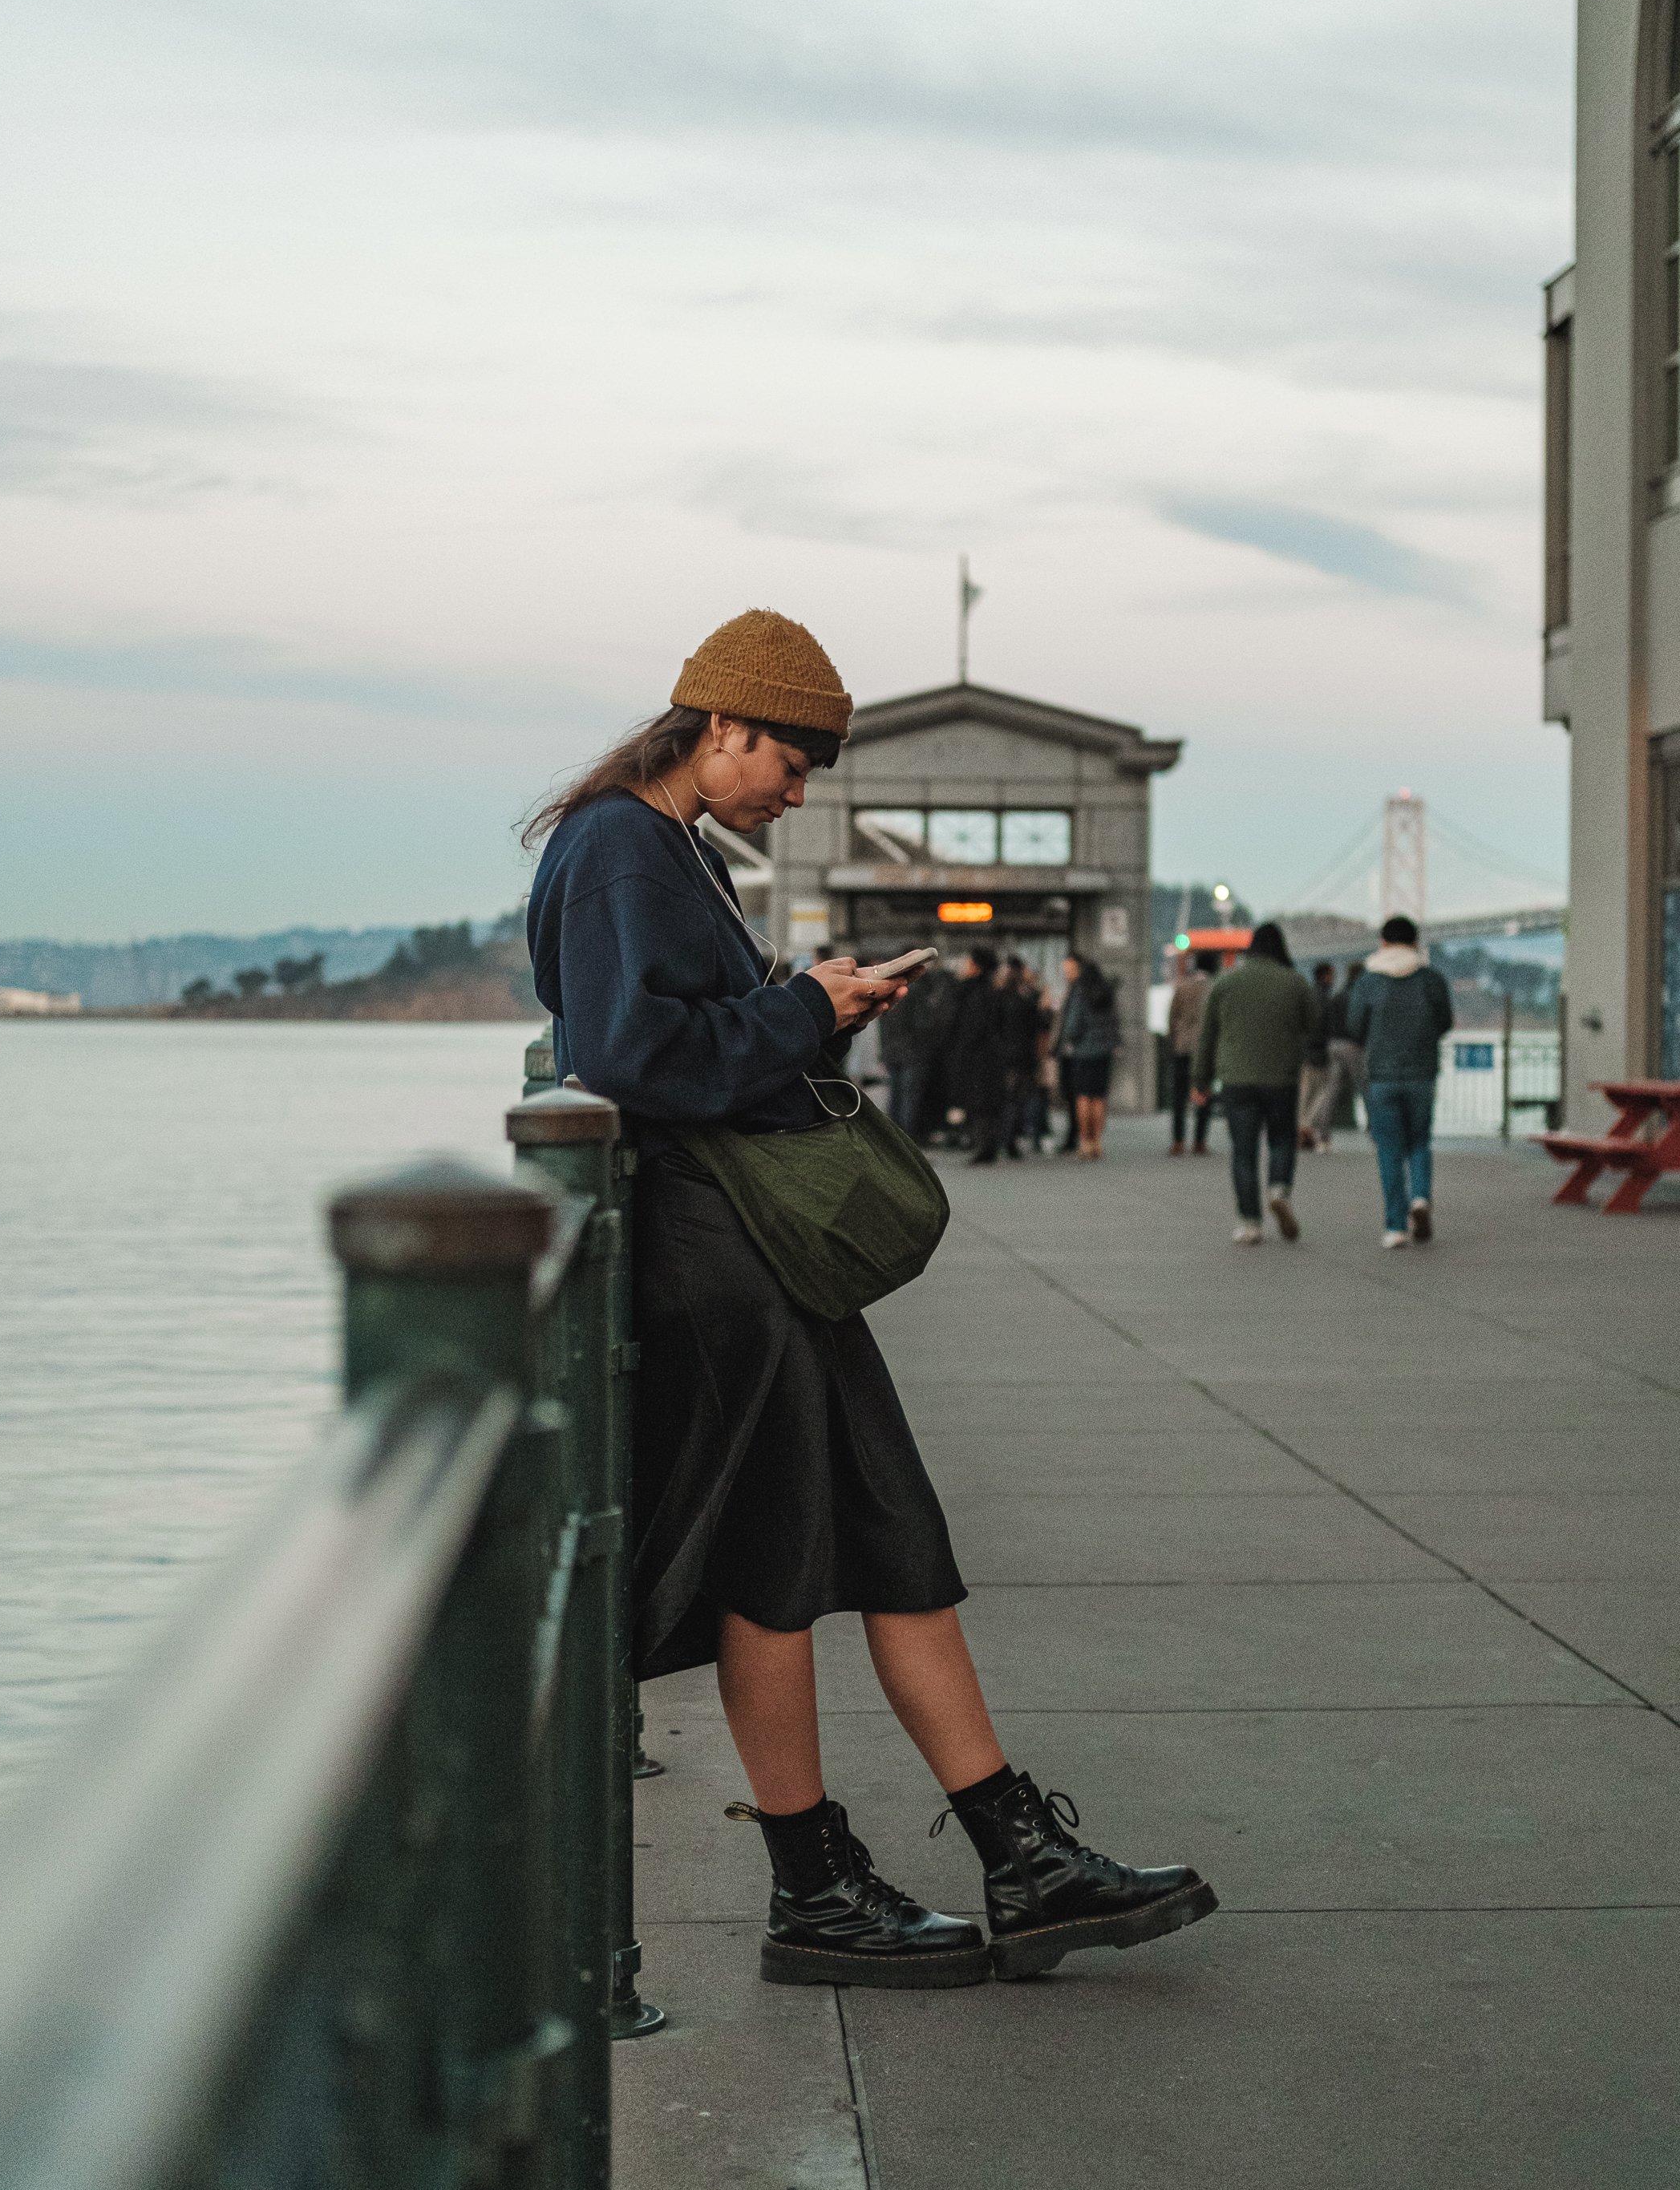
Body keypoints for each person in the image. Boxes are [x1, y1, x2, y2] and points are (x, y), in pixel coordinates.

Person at [524, 608, 1216, 1988]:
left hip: (749, 1256)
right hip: (716, 1262)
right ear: (719, 726)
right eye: (791, 760)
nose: (800, 790)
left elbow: (660, 1039)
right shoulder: (618, 847)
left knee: (892, 1532)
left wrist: (806, 1006)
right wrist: (806, 1013)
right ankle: (819, 1884)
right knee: (775, 1569)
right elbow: (623, 1052)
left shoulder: (661, 848)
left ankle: (1017, 1855)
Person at [1191, 922, 1320, 1244]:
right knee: (1281, 1140)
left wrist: (1200, 1080)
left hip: (1236, 1080)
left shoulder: (1226, 982)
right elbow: (1314, 1028)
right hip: (1281, 1078)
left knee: (1244, 1152)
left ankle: (1250, 1223)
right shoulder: (1294, 983)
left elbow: (1208, 1036)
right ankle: (1278, 1189)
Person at [1346, 914, 1454, 1246]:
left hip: (1381, 1076)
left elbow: (1353, 1026)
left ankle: (1395, 1227)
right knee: (1420, 1141)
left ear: (1382, 942)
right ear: (1415, 942)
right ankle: (1420, 1196)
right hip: (1422, 1073)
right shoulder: (1431, 978)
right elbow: (1445, 1022)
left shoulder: (1368, 980)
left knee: (1389, 1150)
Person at [878, 958, 956, 1142]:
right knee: (910, 1096)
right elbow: (923, 1024)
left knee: (896, 1095)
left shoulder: (890, 990)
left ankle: (894, 1137)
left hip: (892, 1051)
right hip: (912, 1052)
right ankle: (908, 1138)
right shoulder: (917, 992)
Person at [944, 945, 1006, 1164]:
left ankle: (983, 1146)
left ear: (977, 967)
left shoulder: (973, 993)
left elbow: (971, 1027)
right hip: (989, 1056)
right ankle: (986, 1145)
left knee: (980, 1102)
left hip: (977, 1057)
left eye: (968, 963)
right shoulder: (992, 990)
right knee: (985, 1102)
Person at [1057, 953, 1119, 1159]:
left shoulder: (1080, 992)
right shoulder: (1106, 992)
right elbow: (1115, 1021)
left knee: (1083, 1096)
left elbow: (1073, 1025)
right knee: (1099, 1097)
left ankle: (1085, 1142)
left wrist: (1070, 1039)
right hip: (1104, 1051)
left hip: (1083, 1052)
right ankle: (1097, 1141)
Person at [1307, 960, 1368, 1151]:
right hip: (1352, 1045)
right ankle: (1376, 1131)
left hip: (1333, 1046)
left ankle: (1323, 1136)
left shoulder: (1337, 996)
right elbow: (1360, 1023)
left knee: (1331, 1091)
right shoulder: (1359, 996)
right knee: (1366, 1089)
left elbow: (1324, 1022)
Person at [1167, 949, 1216, 1156]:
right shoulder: (1215, 988)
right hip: (1206, 1049)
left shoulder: (1183, 987)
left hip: (1183, 1048)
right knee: (1204, 1093)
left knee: (1179, 1095)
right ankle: (1200, 1141)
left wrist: (1175, 1039)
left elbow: (1172, 1017)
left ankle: (1178, 1141)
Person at [997, 956, 1047, 1156]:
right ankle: (1012, 1139)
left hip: (1004, 1055)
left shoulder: (999, 998)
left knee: (1007, 1098)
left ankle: (1005, 1137)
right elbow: (1039, 1025)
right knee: (1019, 1099)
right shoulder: (1027, 999)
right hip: (1024, 1056)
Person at [1296, 962, 1337, 1148]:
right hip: (1318, 1052)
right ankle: (1307, 1128)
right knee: (1322, 1092)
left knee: (1305, 1095)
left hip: (1304, 1052)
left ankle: (1302, 1128)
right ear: (1325, 976)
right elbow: (1324, 1027)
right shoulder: (1326, 998)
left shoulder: (1307, 994)